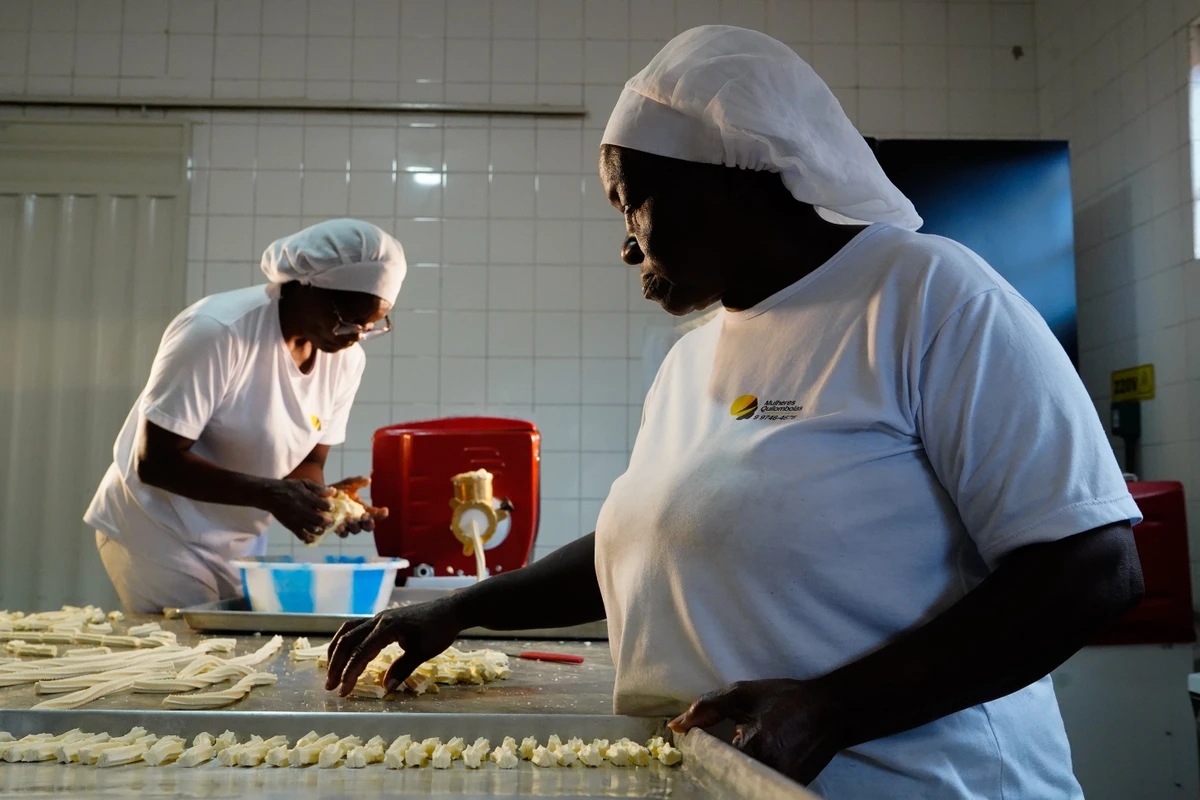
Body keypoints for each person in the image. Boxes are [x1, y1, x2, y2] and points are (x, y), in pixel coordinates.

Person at [323, 27, 1143, 799]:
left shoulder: (927, 295)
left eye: (632, 203)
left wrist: (831, 707)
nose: (626, 244)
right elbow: (647, 548)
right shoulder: (691, 358)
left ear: (733, 178)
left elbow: (1090, 569)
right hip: (728, 780)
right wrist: (461, 608)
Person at [86, 218, 399, 614]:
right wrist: (271, 495)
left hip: (238, 538)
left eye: (370, 325)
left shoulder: (347, 360)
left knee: (234, 653)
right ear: (305, 284)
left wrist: (322, 502)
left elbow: (308, 460)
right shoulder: (217, 330)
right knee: (187, 661)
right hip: (158, 530)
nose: (354, 335)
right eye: (346, 318)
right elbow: (155, 463)